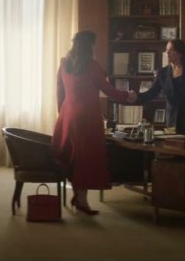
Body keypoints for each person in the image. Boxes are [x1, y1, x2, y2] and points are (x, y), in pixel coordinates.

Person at [51, 30, 136, 215]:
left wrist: (62, 113)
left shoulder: (65, 63)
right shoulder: (92, 65)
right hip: (87, 117)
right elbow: (108, 89)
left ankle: (79, 197)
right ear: (90, 46)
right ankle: (81, 200)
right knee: (85, 159)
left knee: (74, 157)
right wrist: (128, 96)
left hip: (68, 115)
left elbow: (59, 91)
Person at [134, 39, 185, 136]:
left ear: (180, 53)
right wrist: (135, 97)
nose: (166, 52)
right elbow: (152, 93)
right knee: (171, 146)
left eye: (170, 50)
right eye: (166, 49)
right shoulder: (162, 73)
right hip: (171, 121)